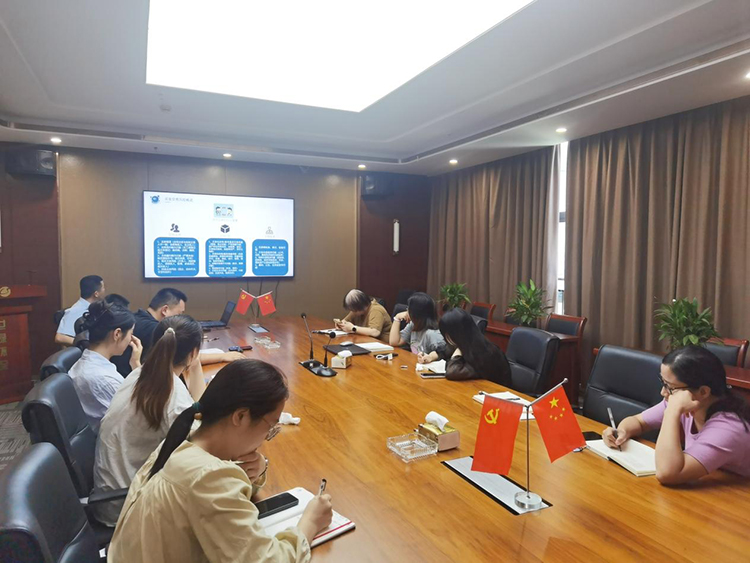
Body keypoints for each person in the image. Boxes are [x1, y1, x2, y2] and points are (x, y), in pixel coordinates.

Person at [107, 359, 334, 563]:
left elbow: (216, 495)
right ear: (241, 416)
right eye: (270, 427)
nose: (266, 438)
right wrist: (310, 522)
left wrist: (255, 470)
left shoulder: (186, 435)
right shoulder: (208, 476)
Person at [93, 315, 207, 526]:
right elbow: (204, 450)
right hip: (128, 509)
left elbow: (198, 411)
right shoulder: (174, 399)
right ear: (193, 353)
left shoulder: (141, 373)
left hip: (112, 495)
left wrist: (194, 362)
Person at [603, 346, 750, 485]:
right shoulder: (687, 403)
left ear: (703, 392)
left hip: (735, 498)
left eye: (670, 387)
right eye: (663, 383)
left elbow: (667, 473)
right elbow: (638, 421)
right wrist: (621, 431)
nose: (663, 392)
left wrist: (672, 411)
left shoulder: (729, 427)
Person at [111, 288, 243, 376]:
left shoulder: (139, 316)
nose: (179, 318)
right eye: (179, 314)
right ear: (165, 310)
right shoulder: (155, 329)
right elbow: (183, 357)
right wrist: (223, 356)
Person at [67, 301, 142, 433]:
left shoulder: (92, 362)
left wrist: (135, 363)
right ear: (117, 334)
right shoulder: (104, 379)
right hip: (113, 439)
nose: (131, 340)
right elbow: (140, 419)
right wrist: (137, 366)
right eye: (131, 334)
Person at [437, 308, 511, 385]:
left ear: (455, 335)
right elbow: (447, 349)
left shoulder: (485, 353)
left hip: (495, 390)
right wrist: (435, 354)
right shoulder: (470, 343)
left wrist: (457, 353)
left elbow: (452, 372)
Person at [389, 292, 446, 358]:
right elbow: (394, 342)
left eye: (409, 308)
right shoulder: (413, 325)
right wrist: (397, 318)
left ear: (416, 313)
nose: (407, 310)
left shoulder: (432, 334)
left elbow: (443, 355)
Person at [55, 274, 106, 346]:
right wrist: (86, 344)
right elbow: (60, 337)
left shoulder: (96, 308)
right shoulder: (75, 311)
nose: (104, 290)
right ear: (96, 294)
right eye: (103, 288)